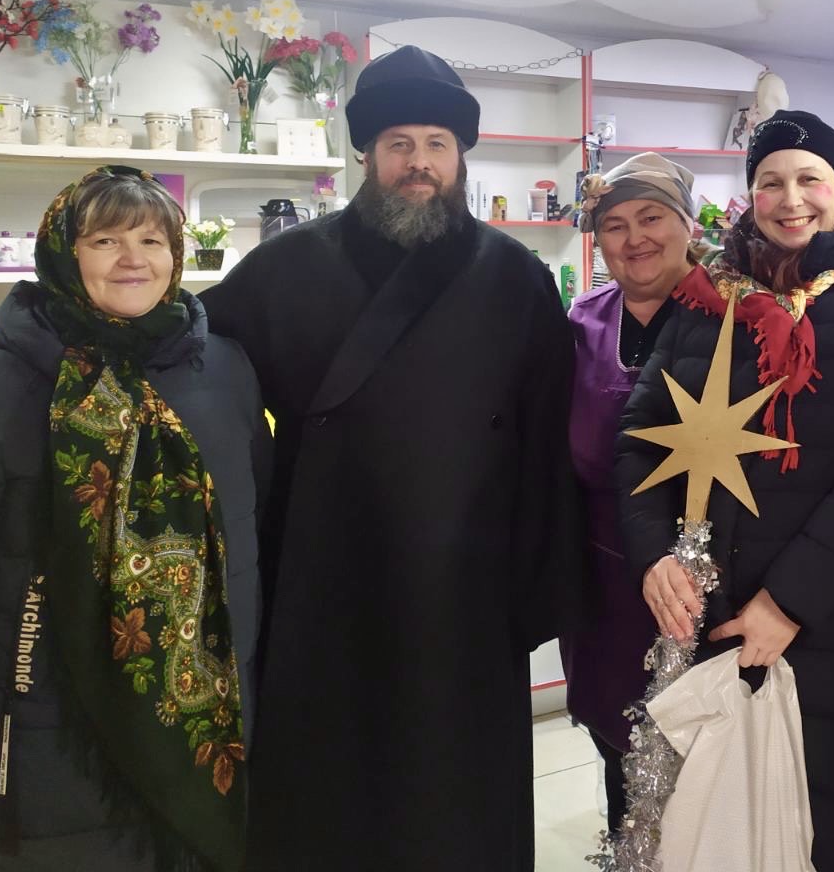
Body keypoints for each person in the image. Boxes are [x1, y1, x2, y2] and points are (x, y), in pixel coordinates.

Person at [198, 45, 582, 870]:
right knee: (331, 785)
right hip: (321, 573)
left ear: (461, 157)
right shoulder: (285, 267)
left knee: (455, 794)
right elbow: (192, 359)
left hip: (466, 588)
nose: (419, 163)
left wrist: (538, 586)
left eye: (437, 144)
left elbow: (549, 441)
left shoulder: (516, 277)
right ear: (367, 156)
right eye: (399, 144)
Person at [616, 109, 834, 872]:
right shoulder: (706, 297)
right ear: (750, 195)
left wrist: (788, 602)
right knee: (703, 825)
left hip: (824, 625)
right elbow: (639, 438)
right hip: (701, 614)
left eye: (809, 179)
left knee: (814, 823)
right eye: (770, 183)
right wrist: (652, 556)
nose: (791, 200)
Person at [0, 166, 265, 871]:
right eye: (105, 240)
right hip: (51, 729)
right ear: (63, 252)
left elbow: (254, 533)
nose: (132, 260)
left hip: (207, 725)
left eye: (152, 240)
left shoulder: (223, 369)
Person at [562, 152, 706, 830]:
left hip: (708, 579)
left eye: (651, 218)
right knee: (622, 757)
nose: (634, 238)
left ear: (688, 225)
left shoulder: (738, 317)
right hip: (605, 583)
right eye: (614, 225)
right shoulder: (579, 325)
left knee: (705, 770)